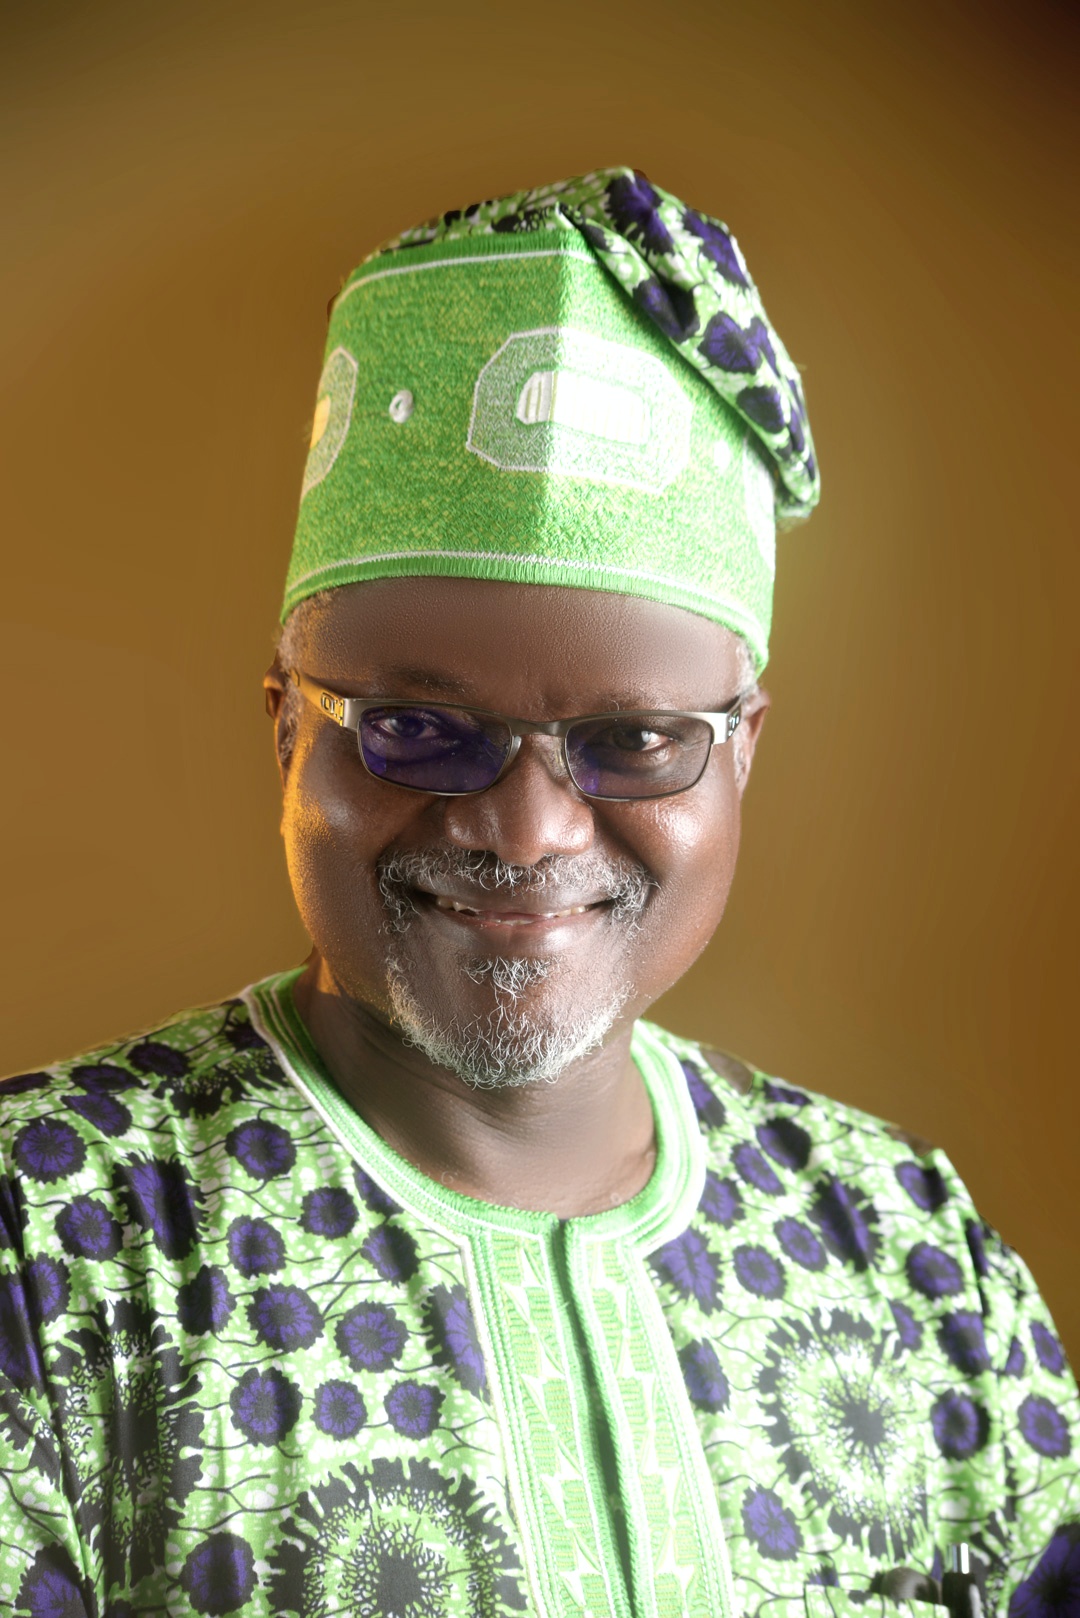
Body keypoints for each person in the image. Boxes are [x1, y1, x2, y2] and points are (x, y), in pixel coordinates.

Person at [0, 168, 1075, 1618]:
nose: (523, 827)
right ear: (287, 727)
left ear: (741, 753)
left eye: (632, 740)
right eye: (417, 728)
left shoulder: (912, 1254)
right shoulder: (45, 1250)